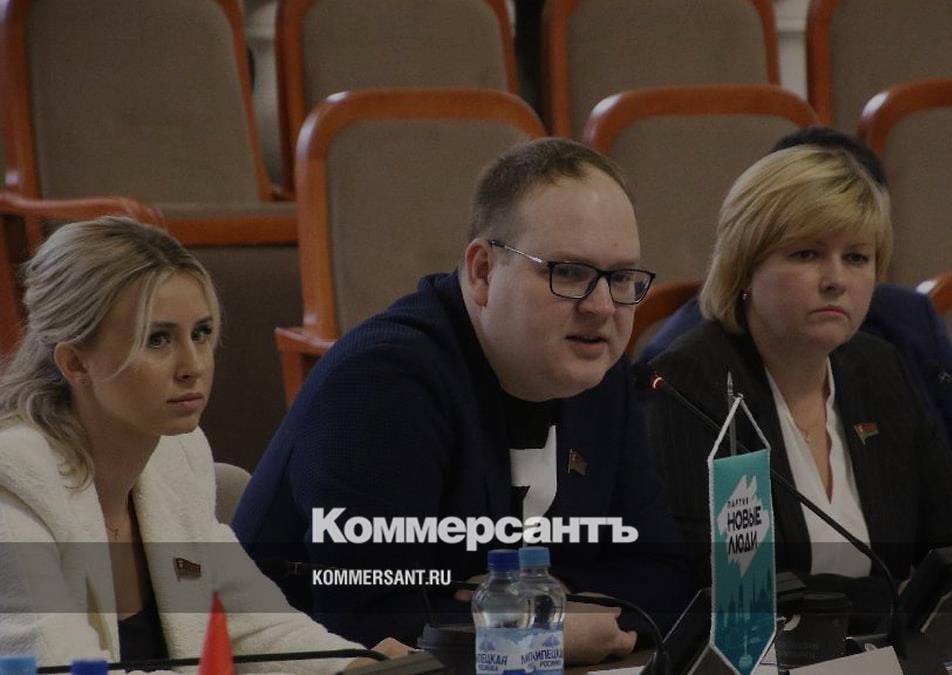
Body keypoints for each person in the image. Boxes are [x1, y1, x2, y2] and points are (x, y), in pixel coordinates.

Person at [233, 138, 692, 662]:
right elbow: (367, 621)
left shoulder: (599, 373)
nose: (603, 307)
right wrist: (545, 635)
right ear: (482, 272)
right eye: (569, 272)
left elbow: (668, 577)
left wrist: (536, 605)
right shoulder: (382, 384)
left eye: (622, 278)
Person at [0, 218, 406, 672]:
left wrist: (355, 667)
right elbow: (63, 669)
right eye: (157, 340)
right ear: (76, 362)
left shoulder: (177, 457)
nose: (193, 365)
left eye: (201, 333)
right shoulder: (12, 485)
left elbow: (256, 628)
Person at [642, 145, 952, 624]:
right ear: (745, 266)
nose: (836, 279)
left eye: (856, 257)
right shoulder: (694, 384)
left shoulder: (877, 369)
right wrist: (895, 599)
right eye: (807, 253)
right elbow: (728, 582)